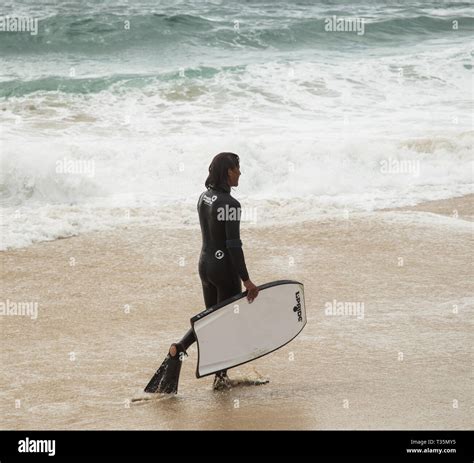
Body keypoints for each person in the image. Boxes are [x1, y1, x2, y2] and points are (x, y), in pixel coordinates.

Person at [145, 152, 258, 393]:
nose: (240, 173)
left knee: (211, 319)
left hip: (205, 265)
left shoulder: (204, 198)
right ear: (228, 171)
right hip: (224, 269)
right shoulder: (231, 205)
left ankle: (184, 351)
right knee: (222, 322)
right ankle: (217, 376)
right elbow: (233, 245)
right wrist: (246, 280)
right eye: (238, 168)